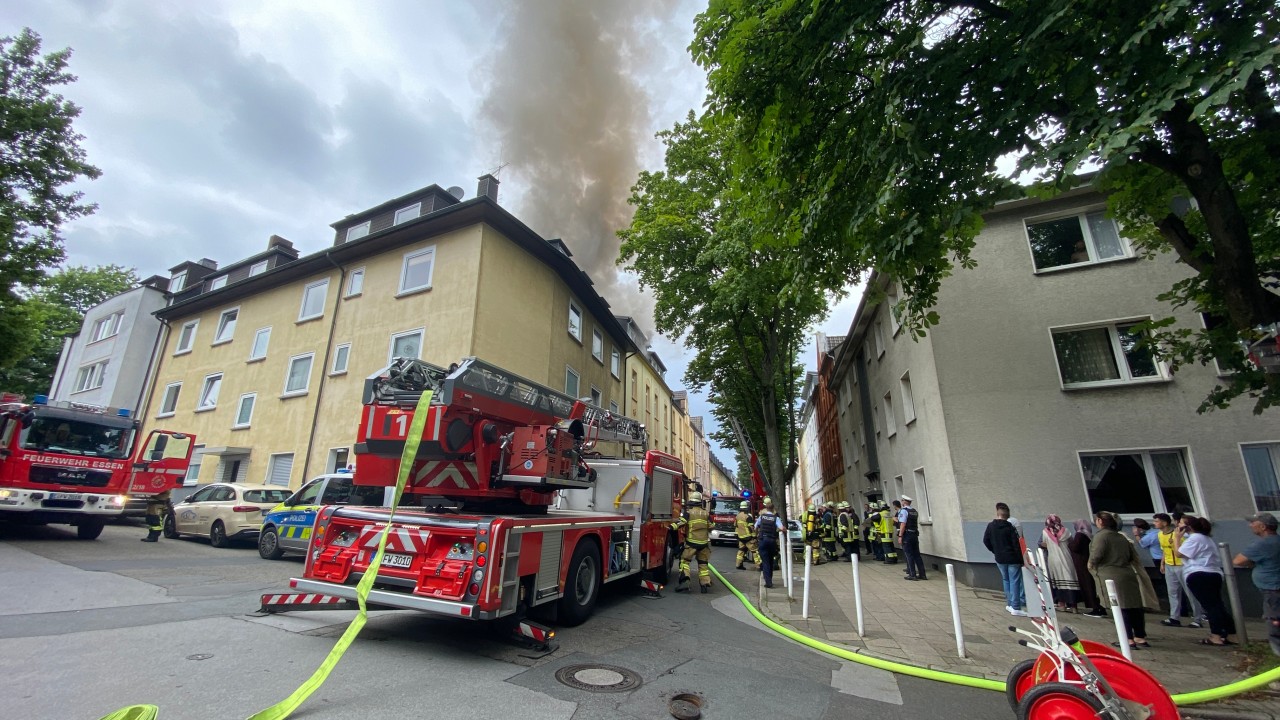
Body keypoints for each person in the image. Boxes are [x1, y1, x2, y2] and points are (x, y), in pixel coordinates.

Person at [1089, 511, 1153, 649]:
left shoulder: (1101, 537)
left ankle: (1128, 639)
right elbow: (1131, 556)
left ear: (1100, 521)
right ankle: (1140, 636)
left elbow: (1096, 555)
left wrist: (1091, 564)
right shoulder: (1121, 537)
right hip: (1127, 573)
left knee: (1120, 607)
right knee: (1134, 606)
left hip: (1111, 574)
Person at [1178, 515, 1235, 645]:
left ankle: (1216, 635)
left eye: (1180, 523)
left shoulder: (1195, 538)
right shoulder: (1204, 538)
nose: (1178, 526)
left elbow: (1179, 553)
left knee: (1210, 606)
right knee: (1217, 605)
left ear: (1188, 527)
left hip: (1199, 574)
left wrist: (1177, 538)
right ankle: (1231, 633)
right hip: (1212, 573)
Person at [1233, 512, 1280, 656]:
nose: (1250, 525)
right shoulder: (1277, 540)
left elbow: (1238, 561)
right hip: (1274, 587)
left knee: (1275, 625)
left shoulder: (1263, 543)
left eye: (1253, 523)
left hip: (1272, 589)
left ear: (1263, 527)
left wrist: (1252, 562)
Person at [1154, 512, 1205, 628]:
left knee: (1190, 592)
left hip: (1182, 565)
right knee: (1172, 592)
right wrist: (1162, 563)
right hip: (1169, 565)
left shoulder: (1179, 535)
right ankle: (1174, 617)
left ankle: (1198, 618)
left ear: (1165, 523)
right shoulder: (1160, 535)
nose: (1154, 523)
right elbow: (1164, 550)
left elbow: (1184, 550)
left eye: (1157, 521)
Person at [984, 504, 1027, 616]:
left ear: (997, 514)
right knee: (1015, 581)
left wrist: (995, 550)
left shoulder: (990, 526)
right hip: (1012, 558)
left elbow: (986, 541)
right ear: (1007, 516)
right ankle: (1016, 607)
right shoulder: (1009, 527)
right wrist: (1021, 559)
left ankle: (1009, 604)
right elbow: (1016, 544)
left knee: (1006, 580)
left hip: (1000, 558)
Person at [672, 491, 712, 593]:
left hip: (691, 543)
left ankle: (685, 582)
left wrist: (671, 526)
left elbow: (681, 522)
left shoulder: (688, 512)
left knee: (684, 562)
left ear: (691, 502)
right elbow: (712, 525)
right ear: (700, 502)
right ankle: (704, 585)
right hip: (704, 544)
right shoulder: (706, 513)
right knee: (703, 564)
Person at [1038, 514, 1080, 610]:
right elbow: (1071, 543)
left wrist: (1049, 545)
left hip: (1054, 559)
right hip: (1067, 558)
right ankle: (1074, 606)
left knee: (1058, 581)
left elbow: (1042, 543)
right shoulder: (1066, 531)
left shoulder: (1045, 532)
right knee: (1070, 579)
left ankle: (1062, 605)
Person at [1068, 518, 1107, 617]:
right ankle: (1099, 606)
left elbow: (1075, 547)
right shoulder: (1089, 534)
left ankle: (1095, 607)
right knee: (1093, 586)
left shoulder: (1080, 534)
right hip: (1088, 561)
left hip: (1083, 563)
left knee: (1088, 586)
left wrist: (1069, 544)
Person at [1131, 518, 1168, 609]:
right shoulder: (1156, 532)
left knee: (1166, 581)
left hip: (1160, 560)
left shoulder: (1150, 536)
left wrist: (1136, 534)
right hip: (1163, 558)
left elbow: (1142, 544)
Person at [755, 497, 784, 589]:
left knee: (765, 561)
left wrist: (756, 536)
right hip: (772, 541)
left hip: (763, 540)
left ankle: (768, 582)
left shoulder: (761, 517)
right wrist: (784, 531)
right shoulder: (776, 518)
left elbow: (755, 526)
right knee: (771, 560)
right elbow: (782, 528)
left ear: (766, 508)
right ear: (773, 509)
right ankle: (769, 579)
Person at [899, 495, 927, 580]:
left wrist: (900, 535)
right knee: (917, 555)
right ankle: (922, 574)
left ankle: (912, 574)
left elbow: (903, 524)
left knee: (909, 555)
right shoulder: (914, 511)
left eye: (902, 500)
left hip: (907, 535)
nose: (901, 501)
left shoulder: (904, 511)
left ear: (904, 502)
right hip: (915, 534)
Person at [735, 501, 760, 570]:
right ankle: (759, 565)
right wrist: (754, 536)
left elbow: (736, 526)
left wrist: (737, 536)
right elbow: (751, 527)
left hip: (741, 537)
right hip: (748, 537)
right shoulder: (748, 517)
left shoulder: (737, 516)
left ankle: (738, 565)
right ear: (747, 508)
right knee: (755, 551)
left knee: (741, 550)